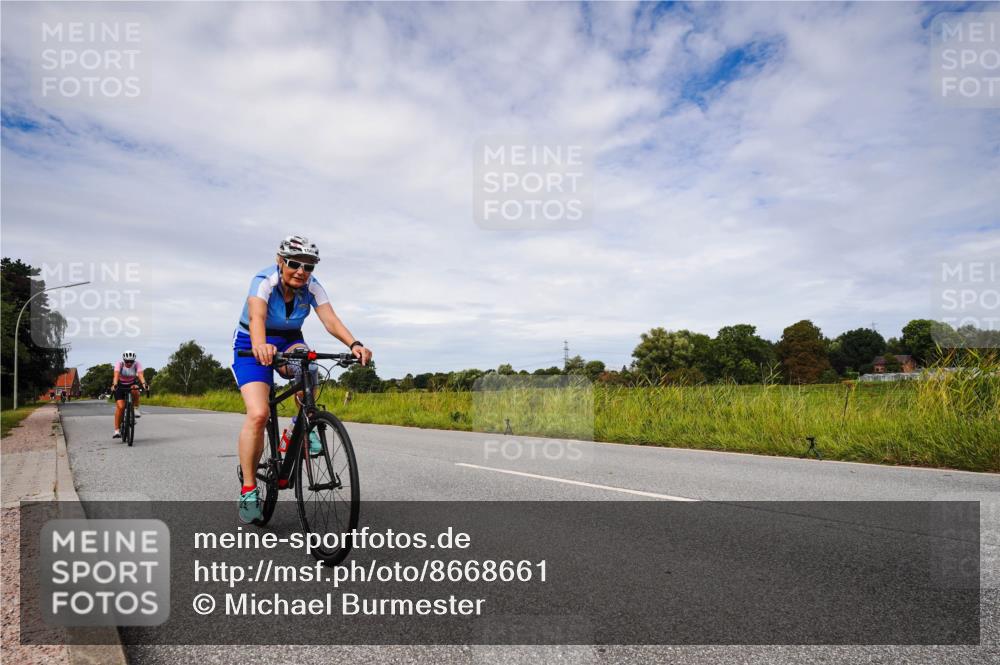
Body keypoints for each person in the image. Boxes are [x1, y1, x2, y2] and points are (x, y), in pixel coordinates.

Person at [232, 235, 371, 524]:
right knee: (259, 413)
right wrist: (260, 345)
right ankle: (248, 488)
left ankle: (301, 426)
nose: (301, 271)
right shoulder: (264, 280)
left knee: (308, 367)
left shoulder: (313, 287)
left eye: (308, 267)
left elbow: (330, 320)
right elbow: (257, 317)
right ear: (280, 262)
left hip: (289, 340)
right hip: (251, 341)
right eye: (294, 264)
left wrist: (354, 344)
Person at [111, 351, 148, 439]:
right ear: (124, 360)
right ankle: (117, 430)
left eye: (131, 361)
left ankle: (135, 409)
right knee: (121, 407)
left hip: (131, 384)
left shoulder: (137, 364)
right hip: (120, 386)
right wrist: (115, 384)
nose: (129, 363)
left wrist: (144, 384)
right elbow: (116, 376)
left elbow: (140, 375)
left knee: (135, 388)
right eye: (127, 361)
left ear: (134, 361)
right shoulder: (119, 364)